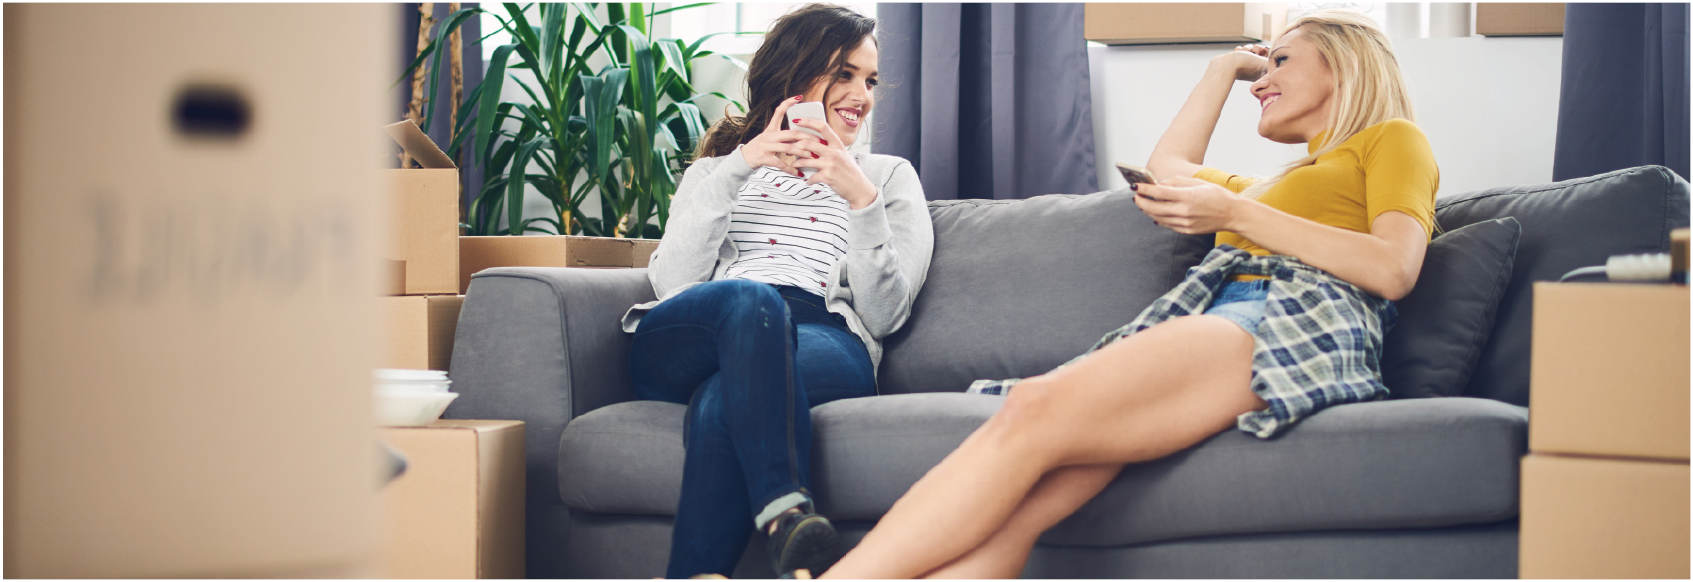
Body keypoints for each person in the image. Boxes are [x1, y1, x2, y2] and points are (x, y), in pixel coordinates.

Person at [820, 10, 1437, 578]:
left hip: (1291, 315)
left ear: (1345, 63)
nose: (1262, 82)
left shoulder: (1391, 139)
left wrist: (1234, 213)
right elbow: (1168, 166)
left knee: (1033, 409)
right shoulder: (1266, 187)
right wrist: (1222, 69)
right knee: (1028, 509)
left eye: (1281, 61)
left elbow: (1394, 268)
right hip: (1230, 315)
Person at [619, 3, 934, 578]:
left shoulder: (885, 178)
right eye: (844, 74)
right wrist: (740, 165)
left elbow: (886, 316)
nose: (861, 95)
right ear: (795, 75)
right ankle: (788, 510)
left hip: (822, 336)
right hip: (706, 326)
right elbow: (675, 282)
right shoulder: (717, 171)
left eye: (870, 80)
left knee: (723, 399)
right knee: (751, 299)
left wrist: (860, 200)